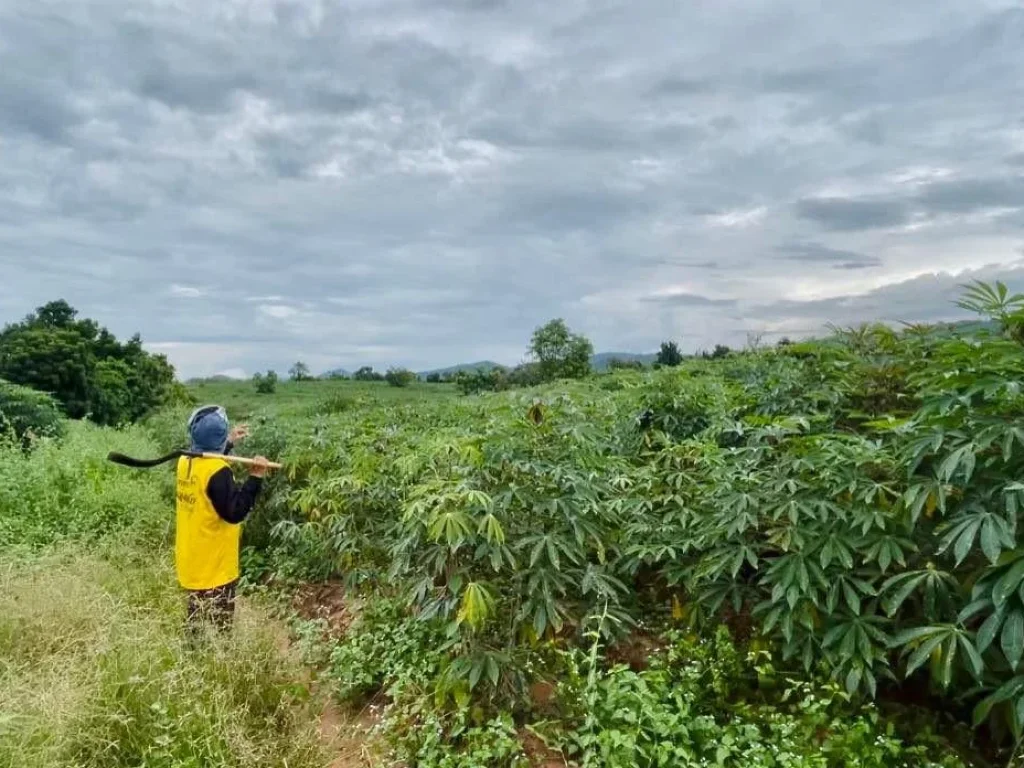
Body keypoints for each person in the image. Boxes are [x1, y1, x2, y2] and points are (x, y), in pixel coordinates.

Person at [176, 404, 270, 639]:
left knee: (195, 619)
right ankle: (218, 664)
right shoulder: (218, 472)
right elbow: (235, 511)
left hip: (193, 557)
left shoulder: (185, 462)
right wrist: (255, 478)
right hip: (214, 564)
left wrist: (226, 443)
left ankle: (193, 659)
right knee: (219, 627)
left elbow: (209, 467)